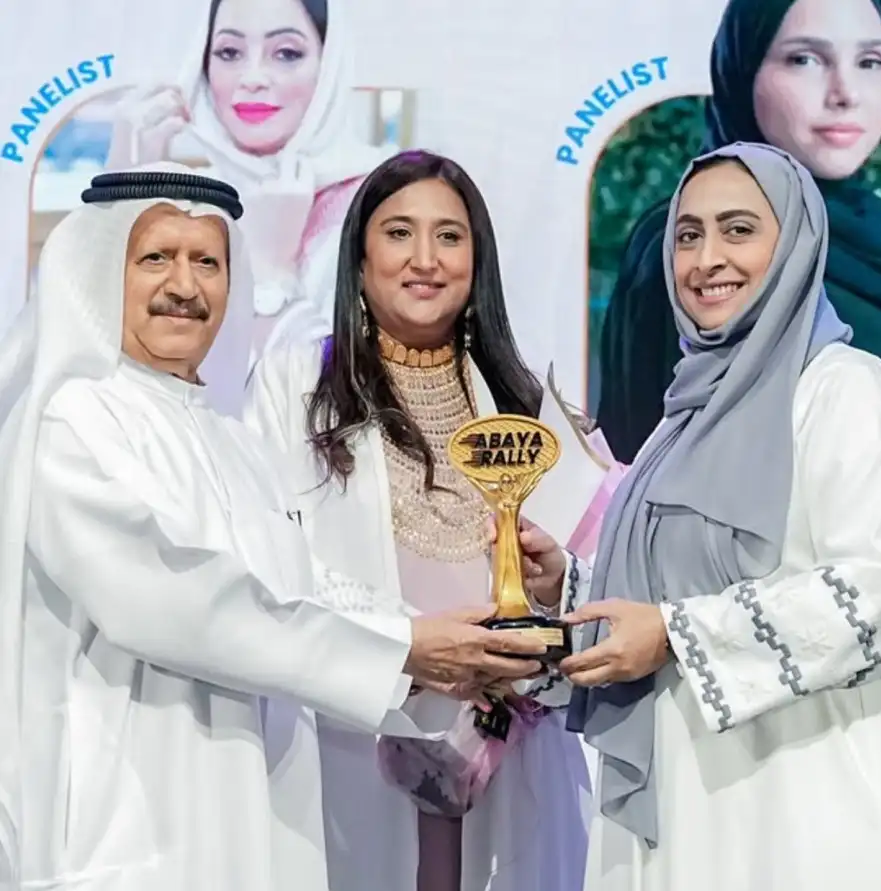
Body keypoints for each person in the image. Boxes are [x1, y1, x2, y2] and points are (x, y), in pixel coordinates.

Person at [0, 164, 548, 890]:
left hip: (235, 820)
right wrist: (404, 647)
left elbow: (298, 581)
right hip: (126, 820)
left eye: (208, 262)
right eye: (156, 258)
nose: (185, 286)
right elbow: (176, 600)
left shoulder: (221, 437)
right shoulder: (76, 419)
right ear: (101, 269)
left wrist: (429, 645)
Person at [557, 142, 881, 890]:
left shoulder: (842, 390)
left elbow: (879, 590)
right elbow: (672, 586)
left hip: (802, 805)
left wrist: (678, 634)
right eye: (688, 234)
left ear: (796, 243)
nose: (707, 258)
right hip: (688, 799)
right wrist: (568, 585)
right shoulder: (685, 414)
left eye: (739, 229)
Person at [247, 150, 591, 891]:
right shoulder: (296, 383)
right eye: (399, 233)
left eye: (450, 236)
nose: (425, 259)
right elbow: (272, 560)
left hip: (505, 749)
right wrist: (409, 648)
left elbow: (585, 586)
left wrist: (542, 607)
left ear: (477, 262)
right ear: (359, 259)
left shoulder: (525, 401)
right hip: (355, 735)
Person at [596, 0, 881, 462]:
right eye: (805, 59)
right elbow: (647, 461)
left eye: (870, 61)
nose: (846, 93)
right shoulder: (687, 244)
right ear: (741, 67)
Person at [107, 0, 390, 361]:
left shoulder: (386, 204)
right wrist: (123, 196)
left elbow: (355, 386)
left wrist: (272, 277)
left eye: (286, 53)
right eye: (229, 52)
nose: (253, 77)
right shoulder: (192, 203)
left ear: (329, 65)